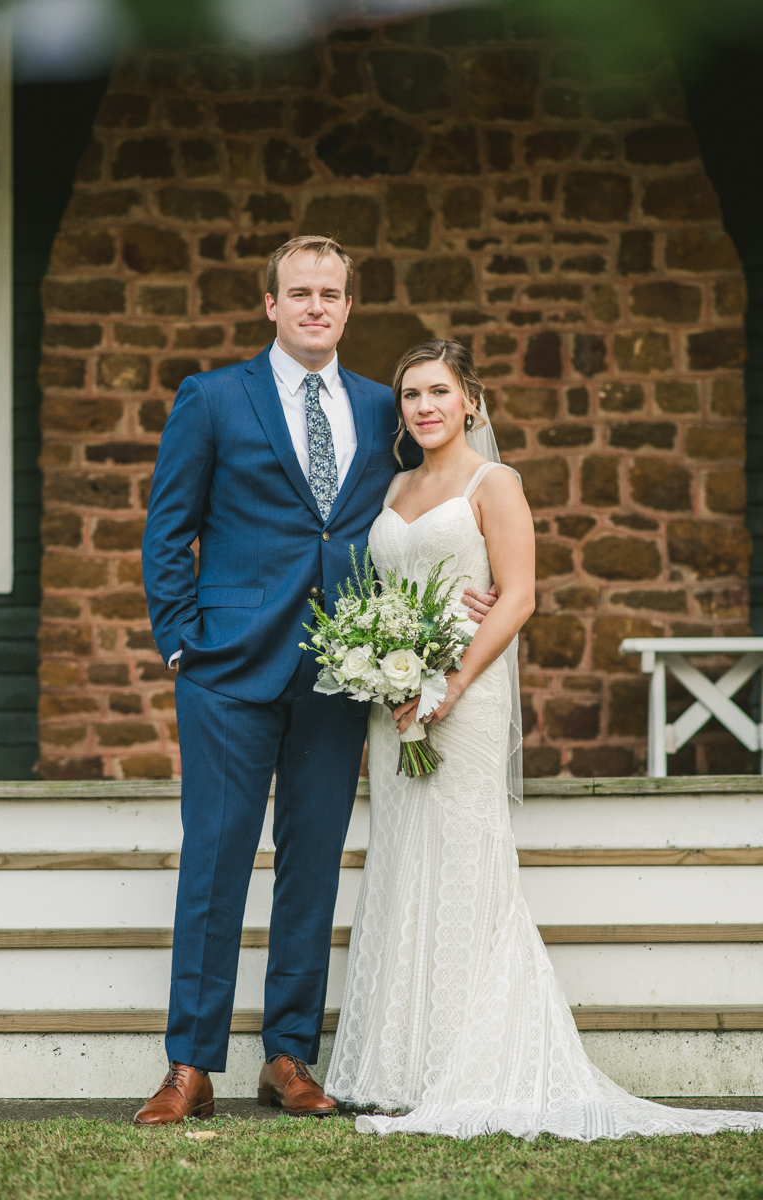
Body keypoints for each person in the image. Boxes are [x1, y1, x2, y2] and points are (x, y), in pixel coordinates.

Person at [324, 338, 763, 1142]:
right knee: (401, 858)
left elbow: (519, 597)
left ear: (470, 402)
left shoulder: (497, 483)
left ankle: (466, 1061)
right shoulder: (395, 484)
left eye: (438, 392)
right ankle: (399, 1068)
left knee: (463, 861)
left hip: (466, 696)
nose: (423, 407)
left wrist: (448, 684)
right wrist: (386, 673)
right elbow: (384, 593)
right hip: (396, 710)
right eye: (411, 396)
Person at [137, 238, 496, 1125]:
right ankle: (190, 1065)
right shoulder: (214, 397)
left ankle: (289, 1056)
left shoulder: (384, 409)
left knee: (312, 869)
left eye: (329, 295)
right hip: (226, 672)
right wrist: (182, 644)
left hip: (341, 677)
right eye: (298, 293)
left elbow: (426, 507)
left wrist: (463, 593)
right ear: (270, 305)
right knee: (215, 863)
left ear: (346, 308)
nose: (314, 308)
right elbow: (167, 527)